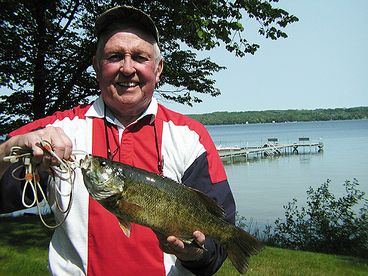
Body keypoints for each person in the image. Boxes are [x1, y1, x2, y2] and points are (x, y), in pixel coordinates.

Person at [0, 6, 236, 276]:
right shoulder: (56, 132)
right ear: (97, 66)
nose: (127, 68)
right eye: (114, 56)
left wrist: (194, 253)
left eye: (139, 57)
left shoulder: (192, 137)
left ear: (158, 69)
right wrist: (10, 148)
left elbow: (217, 247)